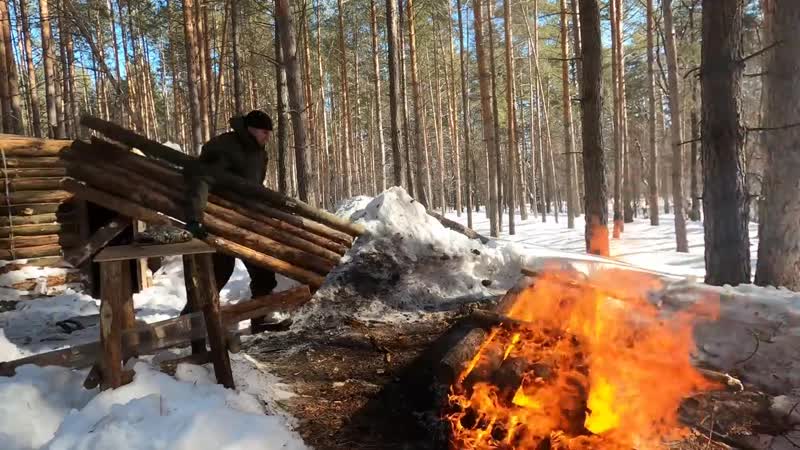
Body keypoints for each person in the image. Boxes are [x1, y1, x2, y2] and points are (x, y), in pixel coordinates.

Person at [181, 110, 277, 330]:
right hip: (220, 221)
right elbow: (202, 179)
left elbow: (253, 186)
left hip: (246, 221)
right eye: (264, 132)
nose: (267, 137)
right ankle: (188, 325)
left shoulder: (258, 152)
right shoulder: (224, 147)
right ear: (251, 129)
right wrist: (195, 218)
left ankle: (260, 319)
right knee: (217, 274)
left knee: (263, 271)